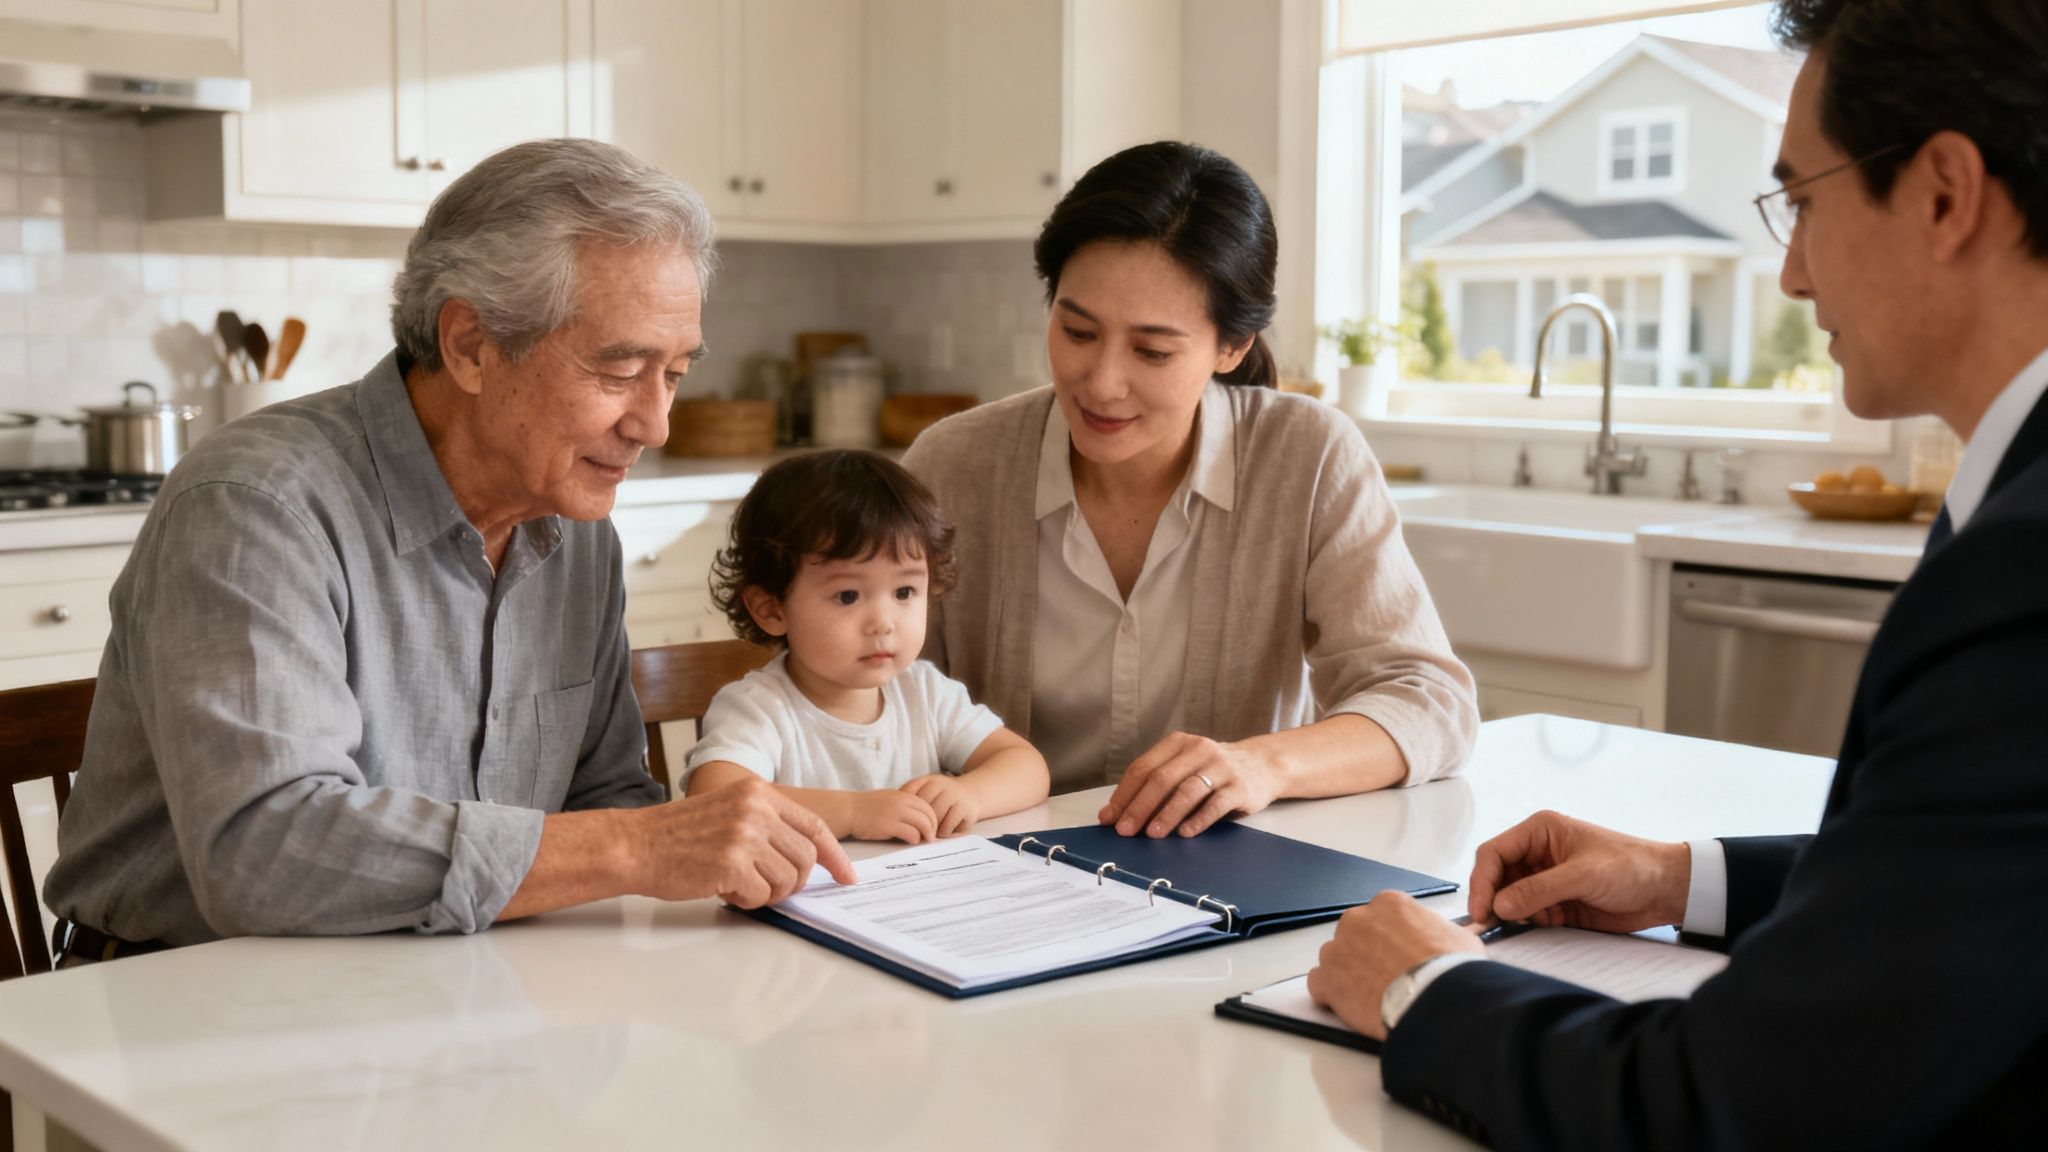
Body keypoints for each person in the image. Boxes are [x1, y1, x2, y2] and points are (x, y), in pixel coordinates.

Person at [1307, 1, 2048, 1146]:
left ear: (1944, 195)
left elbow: (1736, 1106)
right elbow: (1969, 884)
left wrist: (1423, 989)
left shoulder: (2020, 569)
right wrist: (1675, 878)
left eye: (1800, 201)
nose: (1791, 275)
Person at [43, 138, 854, 962]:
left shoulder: (577, 533)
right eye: (620, 372)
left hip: (454, 978)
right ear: (470, 344)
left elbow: (600, 795)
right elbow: (264, 849)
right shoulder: (258, 507)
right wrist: (641, 847)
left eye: (674, 373)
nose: (656, 424)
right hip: (185, 998)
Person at [902, 141, 1477, 840]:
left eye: (1153, 351)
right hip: (992, 874)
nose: (1103, 381)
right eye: (1077, 330)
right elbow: (859, 699)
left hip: (1222, 883)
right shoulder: (956, 464)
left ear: (1231, 347)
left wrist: (1263, 765)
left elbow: (1430, 702)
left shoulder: (1309, 456)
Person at [682, 451, 1050, 842]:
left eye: (905, 591)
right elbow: (714, 800)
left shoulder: (924, 693)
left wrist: (970, 794)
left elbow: (1028, 766)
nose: (883, 622)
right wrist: (852, 812)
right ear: (771, 609)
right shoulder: (760, 709)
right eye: (847, 596)